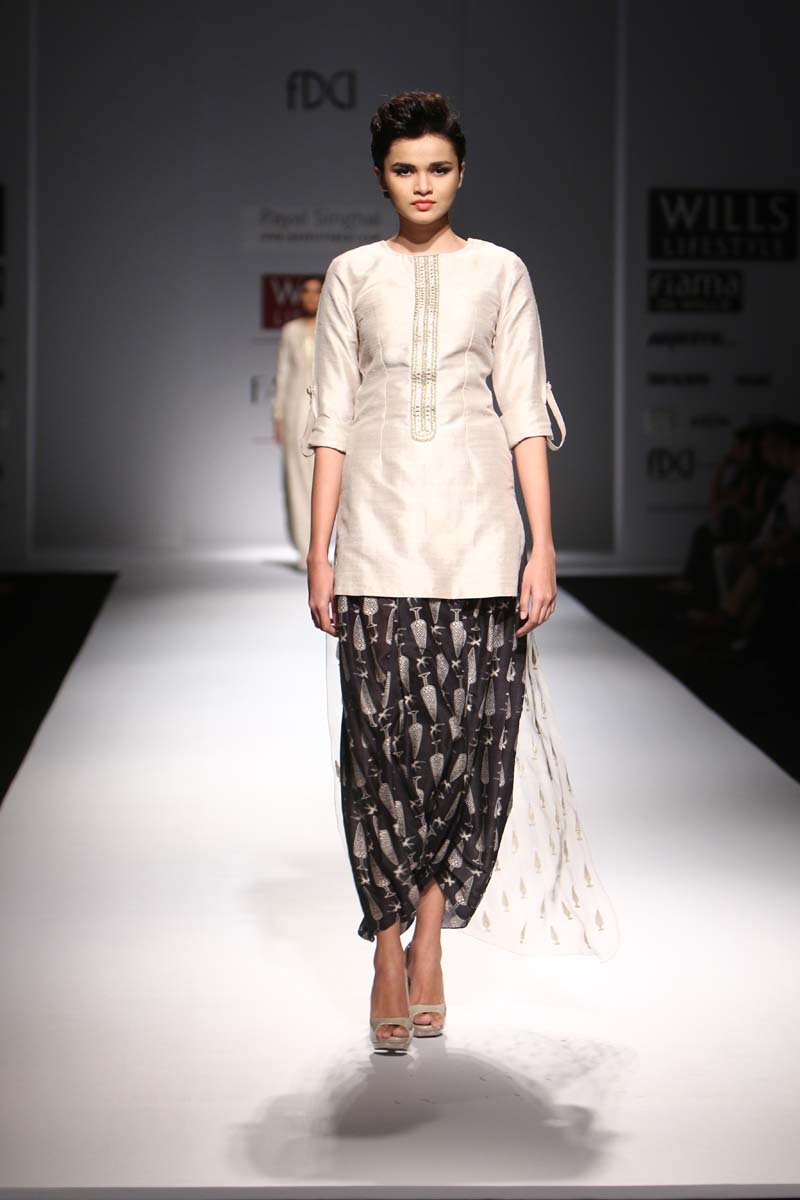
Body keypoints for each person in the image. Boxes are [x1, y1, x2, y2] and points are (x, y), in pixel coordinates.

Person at [301, 91, 620, 1054]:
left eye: (438, 168)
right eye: (405, 169)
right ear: (381, 176)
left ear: (461, 172)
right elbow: (330, 418)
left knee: (467, 754)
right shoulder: (353, 274)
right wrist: (320, 552)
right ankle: (384, 947)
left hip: (481, 542)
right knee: (380, 756)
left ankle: (430, 942)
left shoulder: (501, 272)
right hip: (378, 540)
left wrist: (543, 544)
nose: (423, 184)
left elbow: (525, 410)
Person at [273, 274, 324, 569]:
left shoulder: (334, 325)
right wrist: (278, 414)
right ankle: (305, 549)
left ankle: (326, 549)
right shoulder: (290, 331)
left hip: (326, 408)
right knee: (296, 479)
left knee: (328, 477)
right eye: (306, 291)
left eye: (317, 291)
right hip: (295, 408)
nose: (311, 297)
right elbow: (283, 374)